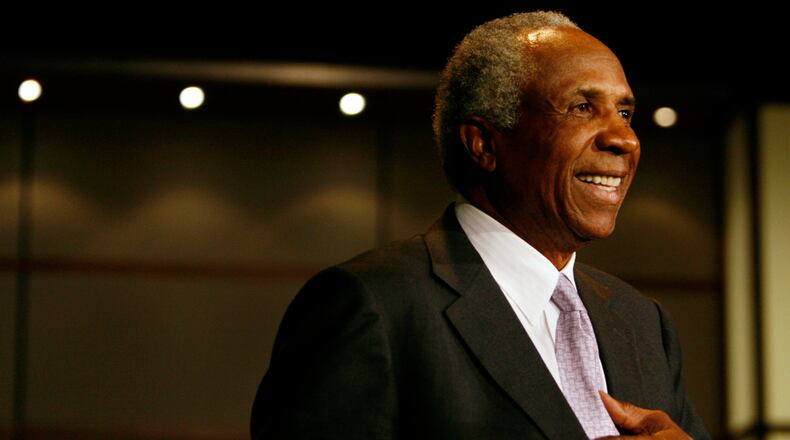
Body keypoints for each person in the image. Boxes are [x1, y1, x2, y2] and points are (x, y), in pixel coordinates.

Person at [250, 10, 709, 439]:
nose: (624, 138)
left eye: (625, 112)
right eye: (581, 108)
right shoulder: (372, 305)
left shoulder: (642, 322)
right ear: (484, 144)